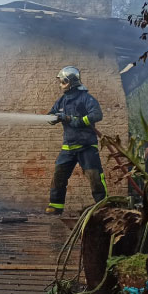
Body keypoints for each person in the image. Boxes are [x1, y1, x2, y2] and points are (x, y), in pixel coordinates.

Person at [45, 66, 106, 215]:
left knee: (94, 176)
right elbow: (51, 113)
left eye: (63, 82)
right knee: (59, 174)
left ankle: (103, 206)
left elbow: (97, 115)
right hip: (68, 146)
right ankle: (56, 206)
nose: (60, 85)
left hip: (86, 146)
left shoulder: (86, 98)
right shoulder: (62, 100)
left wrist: (75, 120)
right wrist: (53, 118)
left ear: (70, 82)